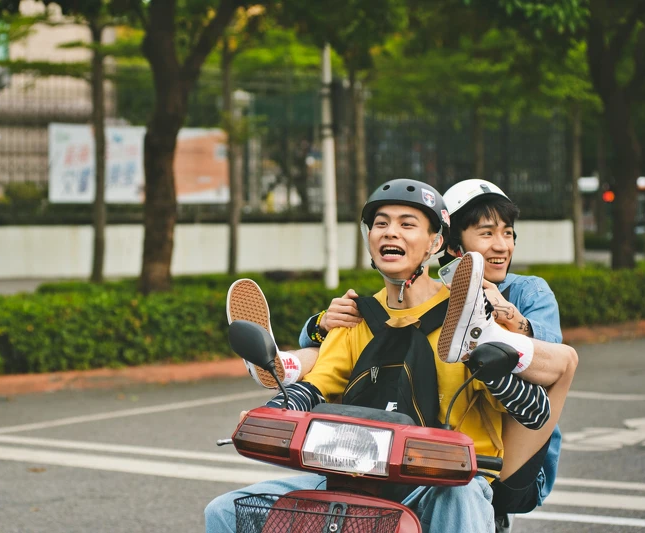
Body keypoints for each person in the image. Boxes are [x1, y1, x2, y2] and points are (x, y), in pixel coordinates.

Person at [207, 179, 571, 533]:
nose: (390, 232)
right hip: (358, 481)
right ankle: (282, 365)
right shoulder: (357, 318)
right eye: (380, 224)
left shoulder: (470, 314)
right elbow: (315, 388)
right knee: (224, 511)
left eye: (407, 224)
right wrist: (271, 413)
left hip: (440, 483)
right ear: (369, 240)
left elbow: (535, 412)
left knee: (458, 496)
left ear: (435, 242)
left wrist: (489, 365)